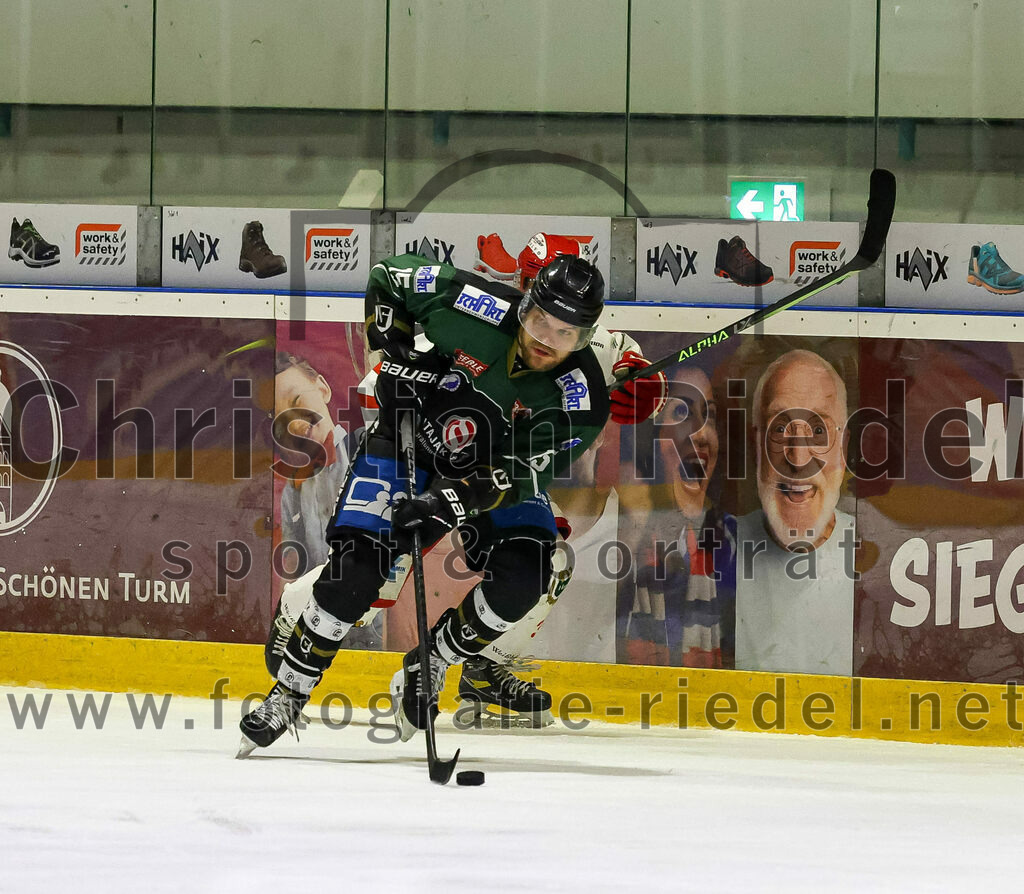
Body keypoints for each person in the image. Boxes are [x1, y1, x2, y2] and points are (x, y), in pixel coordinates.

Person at [239, 249, 665, 753]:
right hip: (407, 437)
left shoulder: (583, 394)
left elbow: (515, 472)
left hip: (487, 465)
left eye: (565, 333)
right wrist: (391, 343)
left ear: (586, 337)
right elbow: (389, 277)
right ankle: (288, 691)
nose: (545, 339)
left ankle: (435, 662)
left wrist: (448, 503)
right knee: (361, 571)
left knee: (532, 570)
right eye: (538, 320)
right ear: (524, 300)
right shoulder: (476, 305)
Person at [734, 348, 856, 676]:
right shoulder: (715, 553)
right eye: (779, 429)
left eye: (818, 432)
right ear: (754, 445)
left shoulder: (883, 557)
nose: (798, 459)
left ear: (844, 450)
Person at [616, 362, 737, 667]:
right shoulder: (619, 528)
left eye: (708, 415)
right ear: (651, 437)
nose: (700, 433)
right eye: (681, 414)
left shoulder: (733, 538)